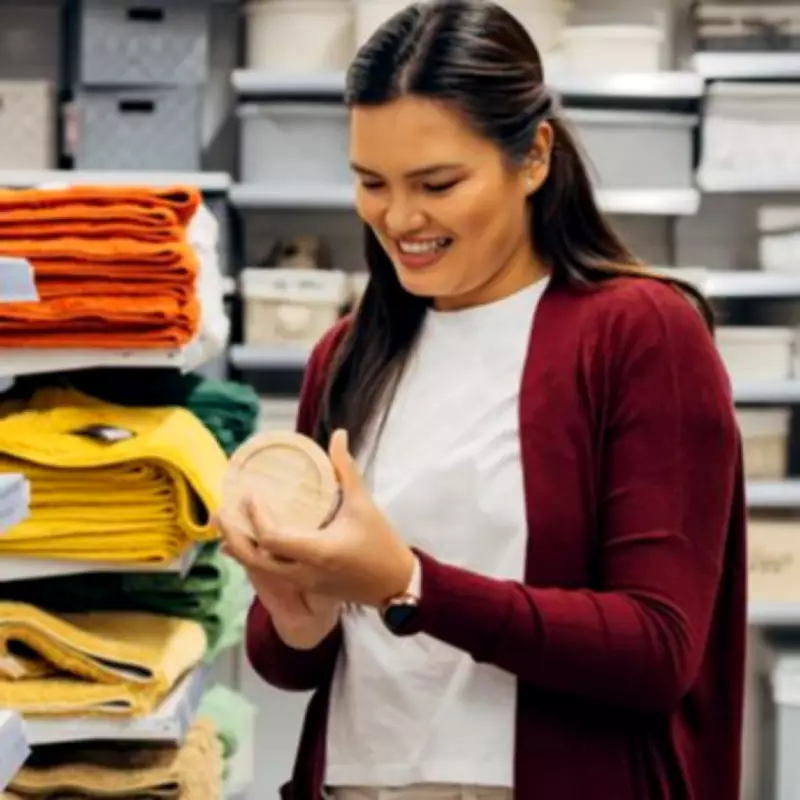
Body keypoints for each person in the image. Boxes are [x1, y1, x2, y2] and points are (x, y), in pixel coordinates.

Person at [216, 1, 747, 798]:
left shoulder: (640, 334)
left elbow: (658, 648)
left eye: (438, 183)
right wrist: (296, 607)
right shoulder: (349, 354)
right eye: (370, 182)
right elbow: (291, 663)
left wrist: (410, 585)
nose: (399, 218)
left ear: (532, 157)